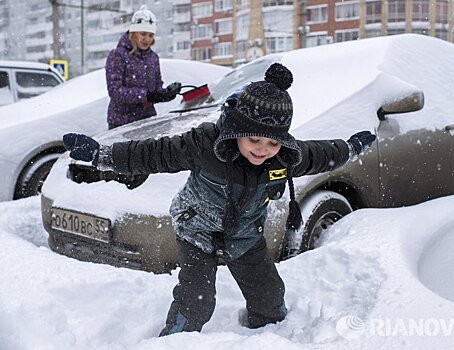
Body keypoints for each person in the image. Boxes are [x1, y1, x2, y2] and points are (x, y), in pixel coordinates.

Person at [62, 63, 376, 335]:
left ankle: (264, 335)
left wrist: (351, 147)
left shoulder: (283, 158)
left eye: (272, 142)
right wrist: (102, 155)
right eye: (253, 139)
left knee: (270, 297)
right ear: (237, 130)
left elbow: (322, 154)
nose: (262, 149)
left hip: (244, 236)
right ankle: (175, 340)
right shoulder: (204, 144)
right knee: (197, 301)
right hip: (197, 230)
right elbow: (152, 153)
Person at [105, 5, 182, 129]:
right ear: (133, 33)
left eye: (151, 35)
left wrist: (167, 93)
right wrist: (146, 95)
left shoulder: (153, 58)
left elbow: (155, 90)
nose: (147, 39)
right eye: (143, 34)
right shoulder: (117, 55)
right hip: (122, 123)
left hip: (147, 121)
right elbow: (115, 91)